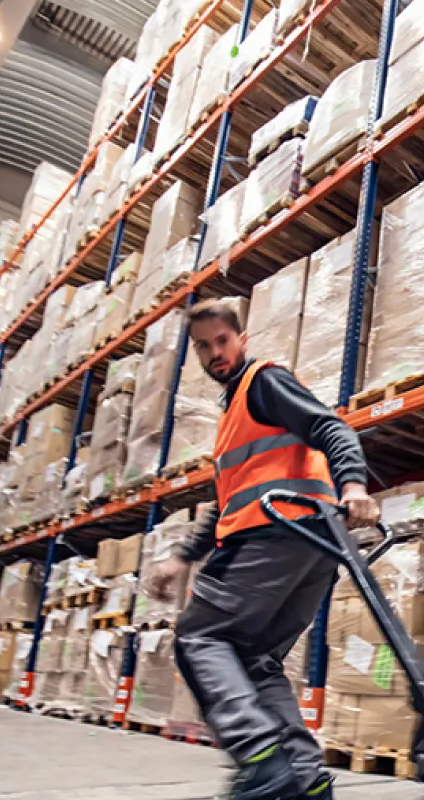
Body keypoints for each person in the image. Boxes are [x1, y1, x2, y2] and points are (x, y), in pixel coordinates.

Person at [149, 298, 380, 800]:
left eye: (222, 341)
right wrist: (182, 557)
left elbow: (329, 426)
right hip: (312, 547)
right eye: (204, 347)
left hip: (272, 536)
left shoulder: (263, 382)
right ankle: (303, 778)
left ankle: (259, 758)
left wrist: (354, 484)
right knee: (255, 662)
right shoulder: (234, 412)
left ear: (241, 339)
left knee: (198, 637)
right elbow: (225, 503)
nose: (215, 353)